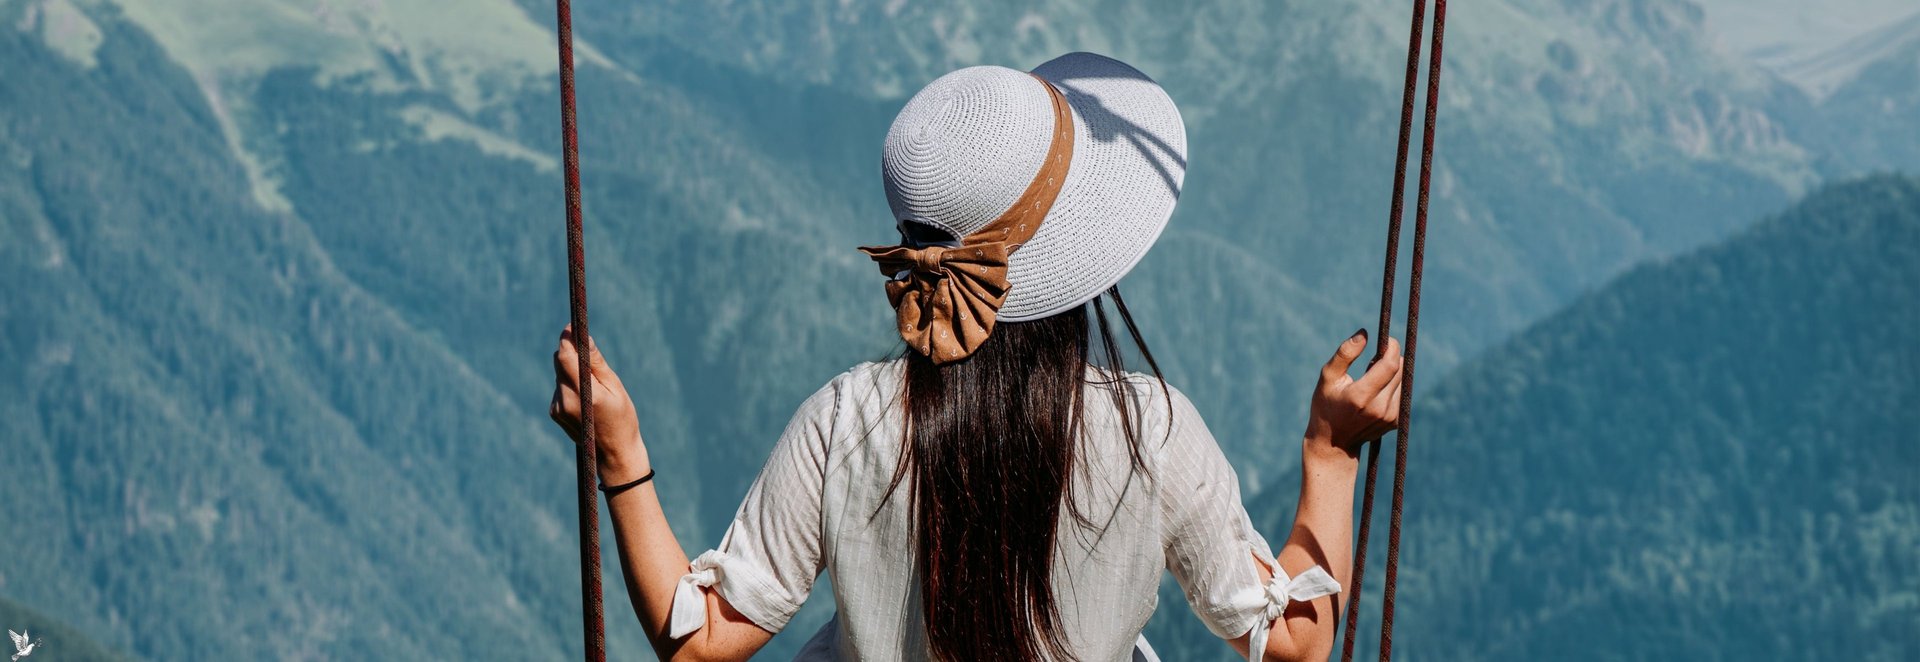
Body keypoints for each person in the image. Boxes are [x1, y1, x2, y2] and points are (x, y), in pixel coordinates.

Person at [549, 52, 1403, 662]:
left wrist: (620, 455)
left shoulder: (846, 420)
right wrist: (1330, 457)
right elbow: (1295, 641)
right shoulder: (1154, 432)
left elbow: (697, 640)